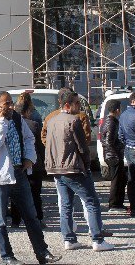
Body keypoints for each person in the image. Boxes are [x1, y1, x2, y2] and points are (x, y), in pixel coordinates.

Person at [0, 92, 61, 265]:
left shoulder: (17, 118)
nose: (10, 107)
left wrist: (29, 158)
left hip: (18, 172)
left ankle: (42, 253)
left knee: (31, 216)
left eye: (11, 103)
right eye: (6, 104)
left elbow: (29, 138)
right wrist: (2, 121)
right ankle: (8, 256)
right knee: (0, 220)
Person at [45, 90, 113, 252]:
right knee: (91, 202)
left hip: (56, 169)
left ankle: (69, 239)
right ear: (67, 105)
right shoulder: (73, 121)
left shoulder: (51, 120)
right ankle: (97, 239)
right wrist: (87, 165)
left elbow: (47, 144)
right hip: (73, 167)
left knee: (66, 204)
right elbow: (82, 148)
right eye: (76, 103)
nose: (79, 105)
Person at [10, 92, 46, 227]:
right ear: (28, 111)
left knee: (16, 193)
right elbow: (39, 147)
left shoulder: (10, 124)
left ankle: (15, 220)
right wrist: (43, 162)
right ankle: (38, 218)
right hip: (33, 162)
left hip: (16, 163)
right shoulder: (33, 124)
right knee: (35, 193)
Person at [100, 99, 127, 213]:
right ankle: (114, 205)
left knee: (122, 179)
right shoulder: (111, 122)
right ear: (117, 110)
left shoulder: (109, 121)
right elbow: (108, 141)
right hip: (113, 156)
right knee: (116, 180)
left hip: (113, 154)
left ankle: (118, 203)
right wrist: (115, 154)